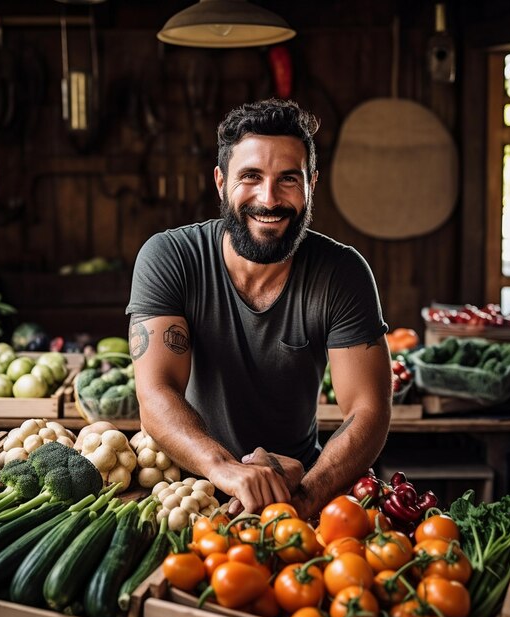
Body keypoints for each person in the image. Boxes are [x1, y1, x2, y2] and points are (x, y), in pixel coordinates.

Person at [126, 98, 392, 520]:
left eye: (288, 179)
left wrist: (306, 496)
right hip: (189, 492)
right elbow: (156, 393)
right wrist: (224, 469)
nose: (269, 199)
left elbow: (369, 411)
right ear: (219, 181)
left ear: (312, 184)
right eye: (250, 176)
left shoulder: (343, 273)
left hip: (302, 487)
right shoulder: (169, 257)